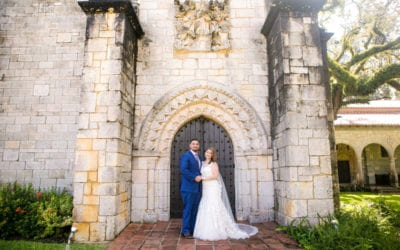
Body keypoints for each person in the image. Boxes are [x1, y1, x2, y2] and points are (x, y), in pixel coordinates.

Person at [193, 147, 258, 241]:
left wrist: (202, 178)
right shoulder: (202, 163)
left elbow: (215, 176)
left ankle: (218, 229)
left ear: (212, 155)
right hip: (205, 188)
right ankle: (206, 228)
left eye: (210, 153)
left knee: (214, 205)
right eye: (207, 152)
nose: (207, 154)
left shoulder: (214, 164)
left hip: (213, 187)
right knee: (206, 204)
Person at [179, 139, 203, 239]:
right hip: (188, 188)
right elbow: (183, 170)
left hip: (198, 188)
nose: (195, 145)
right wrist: (194, 177)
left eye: (197, 144)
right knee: (188, 209)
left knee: (195, 210)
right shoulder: (186, 156)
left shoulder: (200, 158)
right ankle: (185, 231)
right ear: (190, 145)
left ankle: (193, 229)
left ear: (199, 146)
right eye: (193, 144)